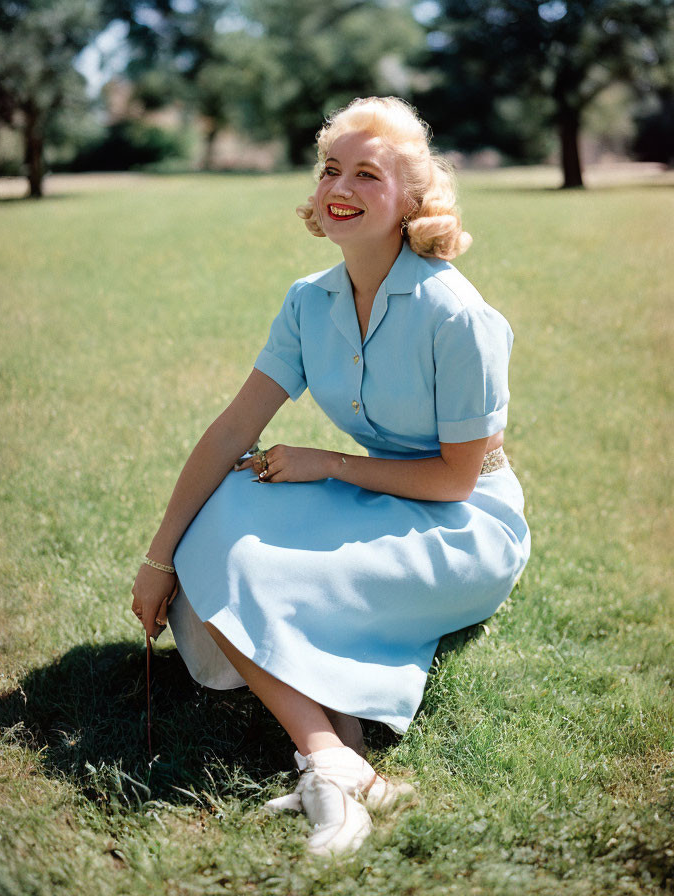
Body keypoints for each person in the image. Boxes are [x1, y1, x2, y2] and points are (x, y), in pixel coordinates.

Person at [130, 96, 530, 856]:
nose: (340, 187)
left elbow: (453, 482)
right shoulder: (308, 300)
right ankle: (339, 763)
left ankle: (327, 764)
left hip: (464, 523)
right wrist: (159, 557)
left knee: (251, 573)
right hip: (375, 497)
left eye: (367, 175)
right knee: (216, 521)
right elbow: (233, 430)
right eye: (330, 170)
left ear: (411, 199)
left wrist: (325, 463)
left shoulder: (457, 315)